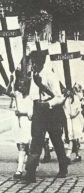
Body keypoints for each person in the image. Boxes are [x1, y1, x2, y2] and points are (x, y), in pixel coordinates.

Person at [21, 51, 68, 184]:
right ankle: (30, 172)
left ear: (41, 62)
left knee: (56, 141)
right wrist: (32, 111)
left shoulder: (50, 76)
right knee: (36, 141)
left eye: (35, 62)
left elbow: (59, 97)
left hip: (51, 112)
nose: (33, 65)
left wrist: (47, 104)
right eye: (32, 62)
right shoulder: (34, 76)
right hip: (38, 111)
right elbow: (32, 96)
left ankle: (63, 167)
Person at [11, 75, 32, 179]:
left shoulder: (31, 97)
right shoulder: (18, 95)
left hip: (27, 123)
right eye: (19, 85)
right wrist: (10, 81)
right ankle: (26, 164)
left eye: (23, 86)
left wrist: (21, 113)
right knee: (21, 145)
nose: (20, 87)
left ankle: (19, 169)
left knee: (25, 145)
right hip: (18, 123)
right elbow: (8, 92)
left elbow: (31, 113)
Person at [64, 84, 84, 163]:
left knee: (72, 137)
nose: (68, 92)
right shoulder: (66, 100)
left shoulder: (75, 98)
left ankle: (68, 156)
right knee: (73, 138)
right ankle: (78, 155)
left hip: (76, 119)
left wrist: (74, 115)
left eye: (69, 91)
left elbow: (79, 109)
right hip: (69, 120)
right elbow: (65, 110)